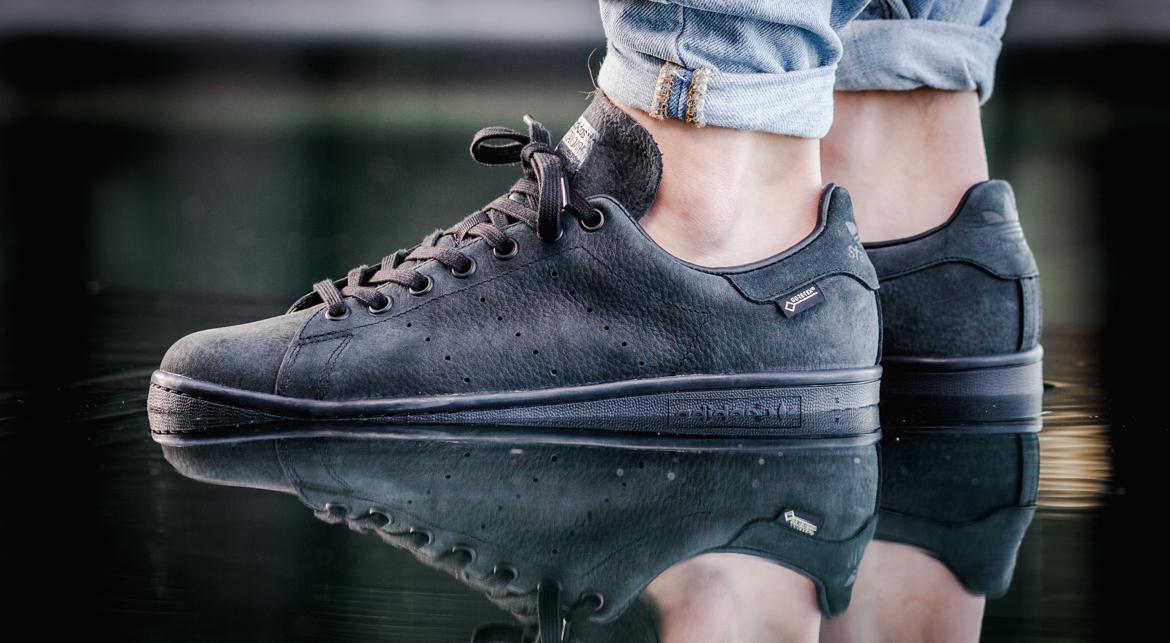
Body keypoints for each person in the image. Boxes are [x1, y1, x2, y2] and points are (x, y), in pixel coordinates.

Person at [148, 2, 1042, 641]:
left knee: (722, 70)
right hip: (926, 224)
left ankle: (710, 180)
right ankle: (899, 175)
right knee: (890, 80)